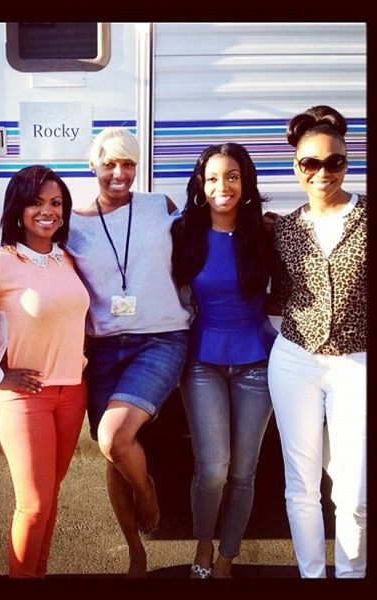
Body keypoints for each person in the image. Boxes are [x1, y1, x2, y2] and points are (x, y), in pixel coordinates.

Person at [0, 165, 89, 578]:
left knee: (50, 497)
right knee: (34, 504)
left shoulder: (67, 258)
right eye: (36, 202)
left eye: (56, 203)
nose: (48, 211)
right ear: (18, 209)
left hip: (71, 391)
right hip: (24, 397)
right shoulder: (0, 262)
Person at [65, 127, 190, 578]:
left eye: (129, 163)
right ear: (92, 165)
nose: (120, 173)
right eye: (110, 163)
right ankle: (135, 551)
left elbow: (207, 235)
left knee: (115, 437)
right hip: (103, 347)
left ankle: (147, 493)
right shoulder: (72, 222)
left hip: (161, 337)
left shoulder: (161, 206)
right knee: (112, 454)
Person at [268, 105, 366, 578]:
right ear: (296, 167)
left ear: (347, 163)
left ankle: (350, 576)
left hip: (356, 363)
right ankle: (311, 576)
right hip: (295, 360)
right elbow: (279, 294)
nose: (323, 172)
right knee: (301, 485)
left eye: (334, 162)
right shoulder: (285, 228)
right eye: (311, 163)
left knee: (353, 489)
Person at [171, 143, 276, 578]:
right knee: (213, 468)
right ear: (200, 184)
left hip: (256, 360)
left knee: (243, 472)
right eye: (212, 178)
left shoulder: (264, 232)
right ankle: (203, 548)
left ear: (245, 182)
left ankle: (227, 559)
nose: (222, 187)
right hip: (202, 360)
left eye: (232, 177)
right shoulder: (183, 232)